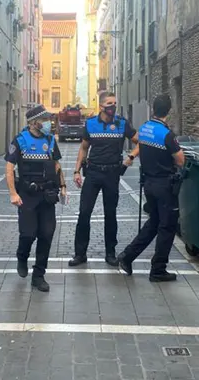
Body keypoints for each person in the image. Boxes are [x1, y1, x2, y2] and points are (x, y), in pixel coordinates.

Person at [117, 94, 184, 282]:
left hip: (149, 183)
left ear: (153, 108)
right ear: (168, 110)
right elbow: (180, 160)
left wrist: (130, 158)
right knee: (167, 226)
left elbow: (140, 148)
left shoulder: (145, 129)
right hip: (165, 185)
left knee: (154, 222)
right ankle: (158, 269)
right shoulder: (166, 134)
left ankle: (127, 256)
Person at [70, 91, 138, 267]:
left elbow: (141, 141)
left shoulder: (122, 124)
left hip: (112, 174)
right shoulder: (91, 124)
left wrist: (130, 157)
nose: (113, 106)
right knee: (84, 213)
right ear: (101, 106)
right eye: (109, 103)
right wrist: (77, 171)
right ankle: (80, 254)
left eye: (115, 103)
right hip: (92, 173)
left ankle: (110, 253)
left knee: (111, 214)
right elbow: (84, 148)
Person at [5, 104, 67, 292]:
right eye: (44, 120)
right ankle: (22, 256)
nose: (48, 123)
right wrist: (13, 193)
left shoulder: (50, 139)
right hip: (27, 195)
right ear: (33, 122)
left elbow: (56, 166)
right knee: (28, 234)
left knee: (46, 234)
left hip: (47, 195)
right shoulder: (20, 140)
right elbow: (9, 169)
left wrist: (63, 186)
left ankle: (39, 275)